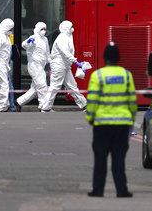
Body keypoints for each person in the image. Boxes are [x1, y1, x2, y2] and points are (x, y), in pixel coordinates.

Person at [86, 42, 137, 198]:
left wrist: (90, 117)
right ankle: (121, 190)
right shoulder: (127, 75)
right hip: (122, 124)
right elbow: (132, 101)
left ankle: (98, 189)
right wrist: (131, 119)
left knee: (100, 158)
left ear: (104, 58)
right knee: (119, 158)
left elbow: (93, 100)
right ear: (118, 58)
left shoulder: (97, 75)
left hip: (102, 124)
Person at [40, 20, 87, 112]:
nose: (72, 29)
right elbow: (65, 52)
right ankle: (45, 107)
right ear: (66, 28)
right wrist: (76, 62)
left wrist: (73, 61)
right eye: (70, 27)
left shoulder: (68, 36)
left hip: (65, 65)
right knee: (55, 86)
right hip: (59, 65)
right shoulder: (62, 38)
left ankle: (84, 105)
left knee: (72, 86)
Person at [15, 21, 50, 112]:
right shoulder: (33, 37)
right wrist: (29, 41)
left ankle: (19, 102)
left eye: (45, 29)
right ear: (38, 29)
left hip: (41, 66)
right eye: (42, 29)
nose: (43, 31)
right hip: (34, 65)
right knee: (42, 85)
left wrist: (50, 62)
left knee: (34, 89)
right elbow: (24, 45)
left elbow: (47, 53)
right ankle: (44, 107)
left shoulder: (45, 39)